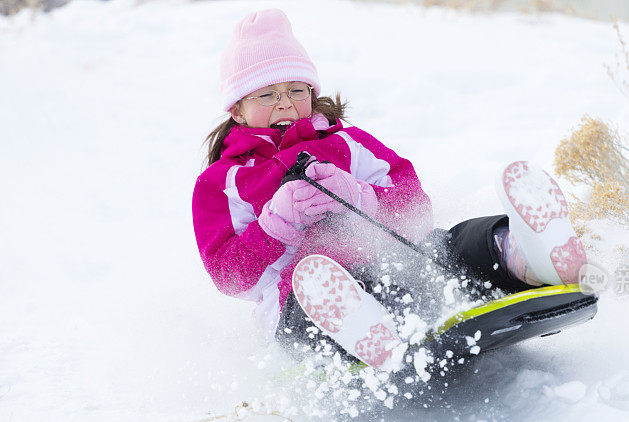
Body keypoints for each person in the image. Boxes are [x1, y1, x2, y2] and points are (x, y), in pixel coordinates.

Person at [192, 9, 587, 371]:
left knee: (448, 245)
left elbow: (415, 207)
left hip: (397, 259)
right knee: (316, 291)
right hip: (299, 297)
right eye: (266, 94)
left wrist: (360, 197)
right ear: (237, 109)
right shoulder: (222, 183)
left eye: (297, 89)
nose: (286, 104)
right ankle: (364, 328)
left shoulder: (346, 143)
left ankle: (523, 254)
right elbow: (231, 277)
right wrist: (276, 225)